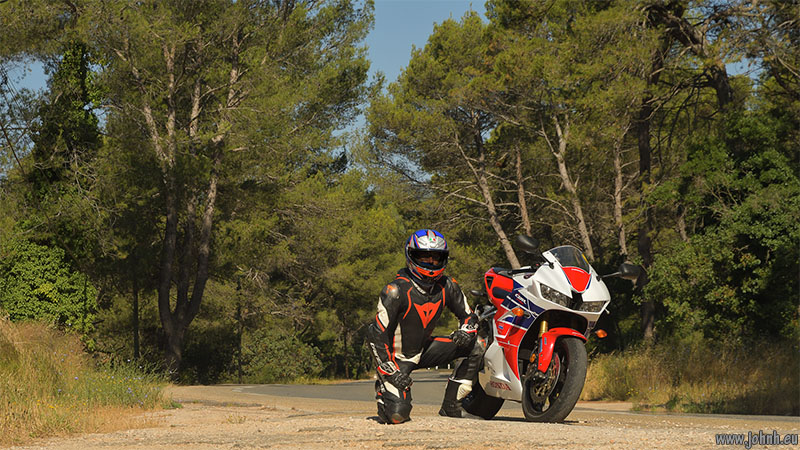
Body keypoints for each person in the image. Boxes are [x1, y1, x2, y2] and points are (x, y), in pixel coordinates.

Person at [366, 229, 484, 424]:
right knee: (397, 416)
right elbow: (375, 334)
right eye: (424, 257)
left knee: (477, 344)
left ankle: (452, 407)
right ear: (411, 255)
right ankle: (383, 392)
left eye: (436, 257)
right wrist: (390, 371)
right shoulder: (395, 290)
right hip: (397, 360)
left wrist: (465, 331)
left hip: (426, 349)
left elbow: (469, 316)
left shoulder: (448, 285)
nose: (430, 262)